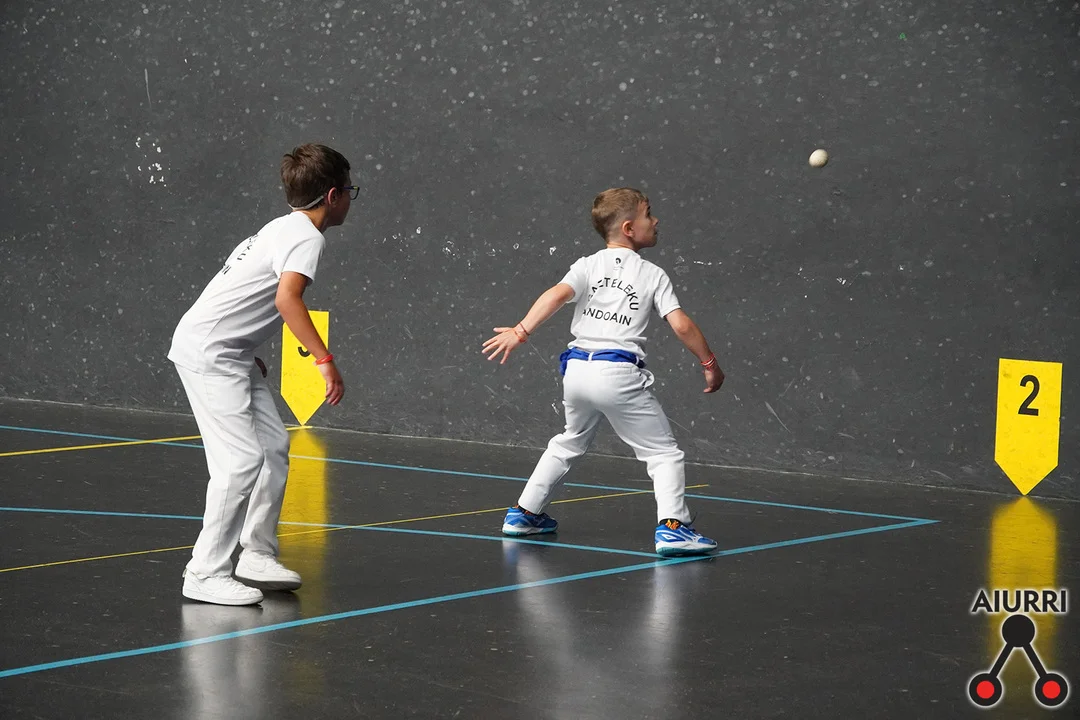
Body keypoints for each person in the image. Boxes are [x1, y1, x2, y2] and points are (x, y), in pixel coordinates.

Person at [482, 187, 725, 556]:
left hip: (577, 371)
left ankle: (524, 513)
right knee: (663, 453)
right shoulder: (652, 274)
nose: (655, 220)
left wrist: (521, 331)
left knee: (569, 441)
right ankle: (674, 528)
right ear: (629, 228)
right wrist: (709, 363)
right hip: (617, 374)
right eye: (648, 213)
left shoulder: (587, 265)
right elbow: (681, 325)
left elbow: (556, 295)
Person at [167, 143, 353, 605]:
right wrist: (324, 360)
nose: (351, 199)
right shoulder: (307, 237)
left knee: (272, 447)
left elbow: (235, 293)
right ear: (333, 195)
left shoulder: (278, 227)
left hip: (229, 351)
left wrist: (244, 348)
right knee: (241, 461)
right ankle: (205, 571)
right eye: (350, 191)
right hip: (212, 353)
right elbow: (287, 300)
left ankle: (256, 554)